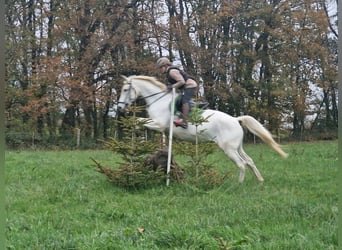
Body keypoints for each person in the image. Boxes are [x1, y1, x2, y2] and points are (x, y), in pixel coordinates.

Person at [156, 57, 198, 129]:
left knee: (185, 101)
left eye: (160, 68)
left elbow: (182, 81)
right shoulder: (169, 72)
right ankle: (181, 117)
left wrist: (172, 86)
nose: (160, 70)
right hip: (186, 87)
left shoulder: (172, 72)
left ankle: (185, 122)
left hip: (190, 85)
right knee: (178, 101)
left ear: (165, 66)